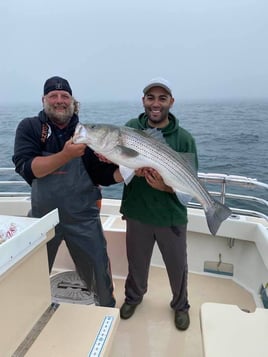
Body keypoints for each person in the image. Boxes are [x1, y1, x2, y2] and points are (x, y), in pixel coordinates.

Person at [12, 76, 122, 307]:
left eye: (65, 96)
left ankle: (105, 311)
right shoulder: (31, 127)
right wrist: (66, 155)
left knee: (100, 273)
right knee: (31, 277)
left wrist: (128, 171)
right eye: (54, 95)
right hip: (44, 219)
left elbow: (101, 174)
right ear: (44, 99)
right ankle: (29, 314)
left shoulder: (86, 133)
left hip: (83, 217)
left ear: (73, 101)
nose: (60, 100)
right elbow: (29, 169)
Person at [119, 77, 198, 330]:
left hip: (171, 216)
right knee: (136, 264)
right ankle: (133, 298)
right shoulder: (130, 128)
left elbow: (189, 181)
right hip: (138, 212)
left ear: (171, 102)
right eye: (150, 97)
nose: (156, 103)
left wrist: (163, 186)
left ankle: (181, 305)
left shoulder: (185, 139)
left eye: (162, 98)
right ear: (143, 100)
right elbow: (121, 164)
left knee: (177, 267)